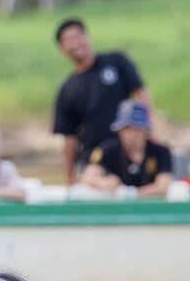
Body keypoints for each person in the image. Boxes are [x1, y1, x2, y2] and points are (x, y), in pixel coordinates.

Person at [51, 18, 151, 185]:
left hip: (128, 152)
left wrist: (150, 131)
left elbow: (141, 95)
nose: (75, 43)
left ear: (87, 37)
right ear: (62, 49)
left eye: (77, 36)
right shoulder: (67, 90)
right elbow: (69, 139)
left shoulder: (116, 62)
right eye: (68, 40)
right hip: (95, 159)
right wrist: (70, 179)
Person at [81, 99, 173, 197]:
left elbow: (163, 186)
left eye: (136, 129)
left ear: (146, 131)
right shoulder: (107, 150)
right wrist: (104, 182)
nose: (131, 135)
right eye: (126, 129)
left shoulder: (160, 152)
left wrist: (132, 193)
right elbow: (88, 177)